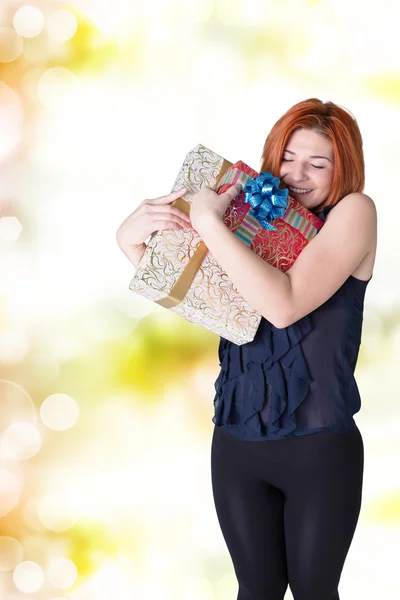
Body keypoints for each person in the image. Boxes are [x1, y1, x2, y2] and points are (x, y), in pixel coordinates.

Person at [116, 98, 377, 600]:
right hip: (236, 443)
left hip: (319, 449)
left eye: (317, 163)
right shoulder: (251, 220)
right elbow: (201, 299)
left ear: (343, 169)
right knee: (254, 590)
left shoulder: (355, 213)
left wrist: (210, 224)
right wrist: (130, 241)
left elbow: (283, 306)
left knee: (313, 591)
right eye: (288, 158)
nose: (297, 174)